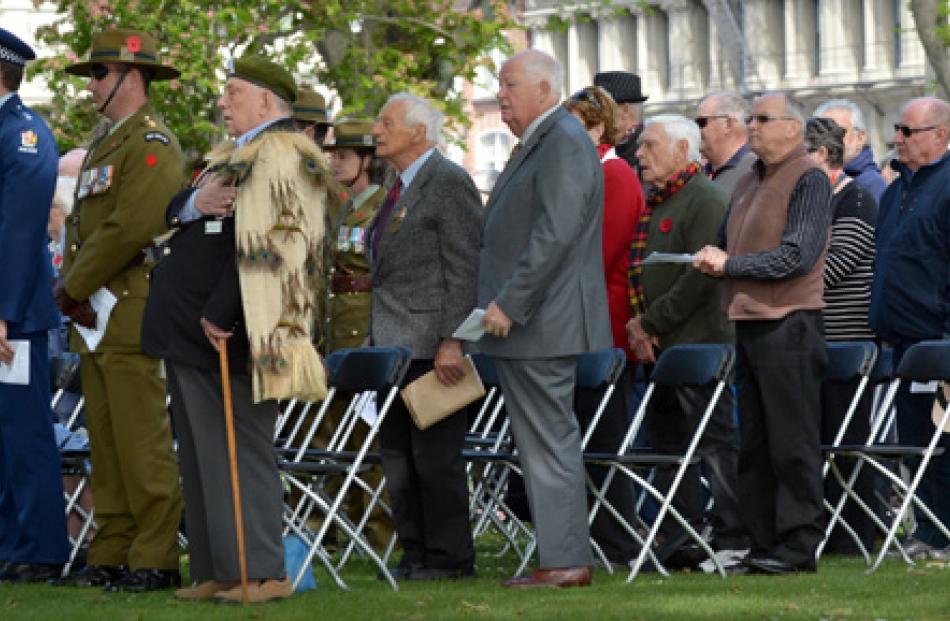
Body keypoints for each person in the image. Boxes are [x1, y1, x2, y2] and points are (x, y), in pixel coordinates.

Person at [142, 55, 332, 603]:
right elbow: (178, 210)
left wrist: (222, 311)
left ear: (267, 102)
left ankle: (263, 569)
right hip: (191, 331)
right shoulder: (232, 156)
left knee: (239, 448)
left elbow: (277, 241)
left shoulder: (281, 154)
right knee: (202, 453)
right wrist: (194, 203)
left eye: (233, 92)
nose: (222, 102)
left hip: (234, 331)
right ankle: (221, 567)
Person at [55, 28, 185, 592]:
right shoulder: (108, 142)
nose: (91, 86)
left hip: (127, 305)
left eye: (98, 75)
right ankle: (112, 550)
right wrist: (77, 289)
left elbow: (129, 226)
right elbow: (88, 230)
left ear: (132, 78)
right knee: (105, 441)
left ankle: (154, 556)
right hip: (96, 311)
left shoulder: (152, 142)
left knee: (140, 441)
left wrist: (71, 287)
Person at [481, 49, 612, 588]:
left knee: (549, 440)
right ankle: (559, 556)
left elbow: (554, 234)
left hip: (541, 320)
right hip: (539, 320)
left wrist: (511, 301)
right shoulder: (547, 140)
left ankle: (564, 561)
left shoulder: (560, 141)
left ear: (543, 88)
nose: (501, 96)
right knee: (541, 441)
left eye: (509, 84)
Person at [694, 92, 832, 575]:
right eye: (750, 118)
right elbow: (731, 246)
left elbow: (798, 254)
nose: (751, 126)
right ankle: (764, 541)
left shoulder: (809, 177)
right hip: (749, 321)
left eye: (763, 118)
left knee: (791, 442)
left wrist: (730, 264)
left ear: (793, 128)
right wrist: (716, 257)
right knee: (754, 442)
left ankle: (798, 547)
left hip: (790, 323)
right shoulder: (749, 180)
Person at [368, 93, 481, 581]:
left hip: (433, 347)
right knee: (398, 460)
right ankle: (415, 553)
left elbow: (466, 268)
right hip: (393, 344)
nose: (376, 130)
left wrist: (454, 339)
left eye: (386, 121)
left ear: (419, 131)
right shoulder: (396, 187)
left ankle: (449, 558)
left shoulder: (448, 182)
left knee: (435, 460)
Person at [626, 114, 744, 564]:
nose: (640, 154)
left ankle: (733, 536)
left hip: (700, 346)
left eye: (650, 146)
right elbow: (644, 269)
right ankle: (682, 538)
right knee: (668, 447)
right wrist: (643, 325)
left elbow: (699, 277)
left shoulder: (707, 199)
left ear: (681, 150)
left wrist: (650, 322)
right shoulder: (659, 201)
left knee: (714, 444)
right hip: (663, 347)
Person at [0, 27, 70, 584]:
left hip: (13, 316)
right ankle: (10, 544)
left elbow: (19, 233)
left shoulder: (23, 135)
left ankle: (41, 548)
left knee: (24, 435)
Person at [563, 85, 642, 565]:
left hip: (602, 325)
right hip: (578, 322)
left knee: (602, 437)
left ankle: (616, 538)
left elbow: (598, 254)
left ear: (598, 128)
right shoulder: (587, 171)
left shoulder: (614, 176)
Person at [869, 96, 950, 559]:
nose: (897, 138)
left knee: (945, 442)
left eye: (908, 131)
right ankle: (925, 531)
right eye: (896, 130)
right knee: (916, 442)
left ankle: (944, 535)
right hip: (900, 340)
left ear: (939, 134)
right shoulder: (897, 189)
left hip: (937, 340)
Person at [317, 117, 393, 551]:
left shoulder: (382, 205)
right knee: (339, 433)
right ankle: (347, 526)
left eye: (344, 155)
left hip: (363, 325)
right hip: (337, 328)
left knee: (369, 439)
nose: (336, 163)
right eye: (334, 155)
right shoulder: (344, 206)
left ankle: (382, 534)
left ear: (367, 160)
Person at [804, 116, 878, 555]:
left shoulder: (856, 201)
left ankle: (853, 535)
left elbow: (831, 268)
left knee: (847, 443)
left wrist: (787, 273)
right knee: (817, 440)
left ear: (822, 156)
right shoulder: (814, 202)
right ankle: (826, 530)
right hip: (815, 338)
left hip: (847, 339)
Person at [814, 99, 887, 201]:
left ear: (860, 138)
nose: (829, 139)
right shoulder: (814, 178)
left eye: (837, 131)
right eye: (822, 132)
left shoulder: (872, 184)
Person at [696, 91, 756, 197]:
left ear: (728, 124)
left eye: (701, 122)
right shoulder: (700, 174)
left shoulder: (755, 171)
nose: (696, 129)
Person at [593, 70, 648, 172]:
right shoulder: (599, 141)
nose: (595, 114)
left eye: (602, 107)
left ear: (625, 110)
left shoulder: (647, 148)